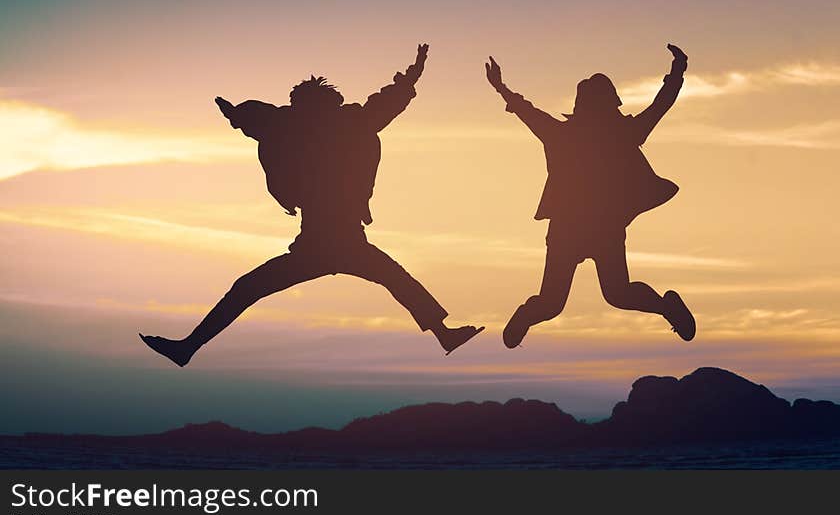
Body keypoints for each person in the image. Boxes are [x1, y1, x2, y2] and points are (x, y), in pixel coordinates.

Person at [140, 44, 484, 366]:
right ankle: (444, 335)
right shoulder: (337, 124)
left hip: (327, 243)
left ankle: (187, 348)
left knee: (251, 288)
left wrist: (237, 114)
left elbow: (267, 120)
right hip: (330, 242)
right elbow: (271, 119)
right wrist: (411, 77)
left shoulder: (318, 126)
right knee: (393, 278)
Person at [485, 44, 696, 348]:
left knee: (563, 300)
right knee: (606, 295)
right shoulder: (621, 132)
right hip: (590, 227)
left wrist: (502, 89)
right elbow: (660, 105)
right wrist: (677, 72)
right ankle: (665, 308)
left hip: (582, 228)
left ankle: (666, 308)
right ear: (612, 104)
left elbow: (527, 111)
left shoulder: (566, 134)